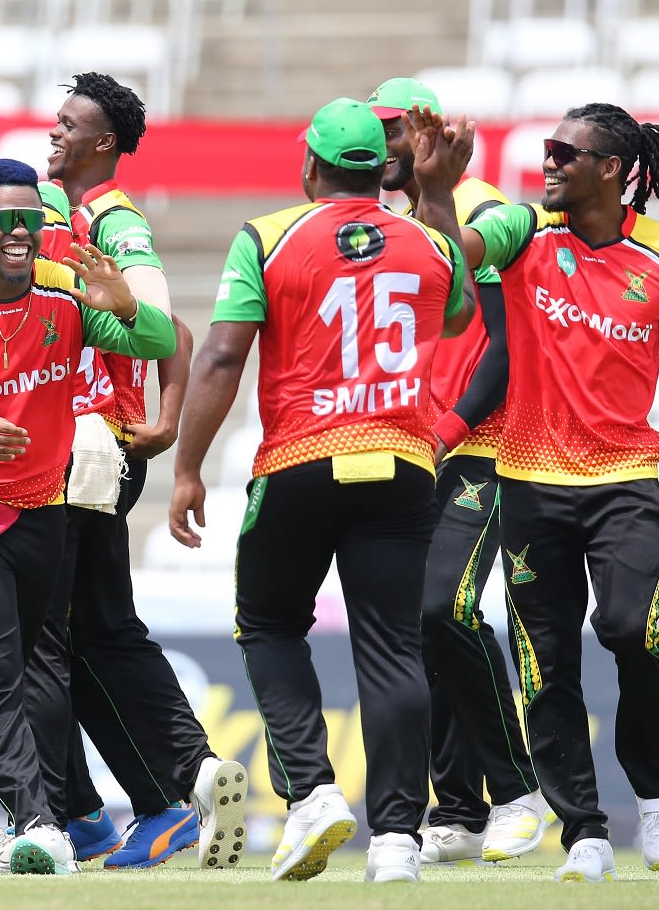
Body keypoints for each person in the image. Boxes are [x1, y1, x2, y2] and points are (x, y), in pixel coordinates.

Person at [413, 101, 659, 883]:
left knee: (627, 631)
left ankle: (657, 794)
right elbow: (448, 264)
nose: (548, 163)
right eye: (548, 151)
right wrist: (439, 193)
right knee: (545, 664)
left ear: (612, 170)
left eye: (565, 153)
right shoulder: (523, 231)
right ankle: (582, 827)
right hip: (528, 483)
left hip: (625, 481)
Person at [170, 98, 475, 883]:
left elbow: (220, 358)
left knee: (268, 623)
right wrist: (438, 198)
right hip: (403, 462)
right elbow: (462, 310)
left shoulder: (267, 236)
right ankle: (400, 839)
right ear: (381, 170)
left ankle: (312, 793)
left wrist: (187, 466)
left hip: (301, 460)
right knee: (393, 648)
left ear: (308, 166)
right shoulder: (429, 242)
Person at [0, 158, 177, 875]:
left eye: (30, 220)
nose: (19, 233)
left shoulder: (67, 292)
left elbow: (163, 345)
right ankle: (39, 822)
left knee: (33, 672)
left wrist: (129, 307)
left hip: (46, 513)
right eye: (3, 220)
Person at [32, 70, 245, 873]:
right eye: (55, 119)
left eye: (69, 123)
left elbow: (166, 327)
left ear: (104, 145)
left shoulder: (113, 221)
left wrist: (164, 424)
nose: (54, 132)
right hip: (79, 453)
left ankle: (142, 798)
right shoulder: (62, 216)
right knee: (83, 634)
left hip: (87, 451)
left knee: (64, 638)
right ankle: (145, 796)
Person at [368, 77, 548, 864]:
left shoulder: (478, 210)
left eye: (392, 132)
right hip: (415, 448)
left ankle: (516, 791)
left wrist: (444, 428)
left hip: (485, 443)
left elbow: (504, 349)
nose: (380, 149)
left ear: (424, 131)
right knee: (420, 624)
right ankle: (459, 806)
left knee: (448, 608)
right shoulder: (388, 224)